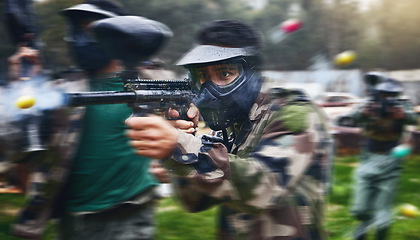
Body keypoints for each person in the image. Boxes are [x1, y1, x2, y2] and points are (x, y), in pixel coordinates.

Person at [125, 20, 333, 240]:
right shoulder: (232, 125)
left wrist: (180, 145)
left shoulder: (294, 114)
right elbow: (195, 201)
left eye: (225, 74)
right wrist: (176, 150)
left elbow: (264, 188)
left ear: (252, 71)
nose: (210, 88)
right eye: (202, 77)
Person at [10, 1, 173, 239]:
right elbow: (22, 150)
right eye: (75, 30)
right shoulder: (59, 90)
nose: (80, 38)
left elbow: (182, 132)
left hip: (128, 215)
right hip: (72, 221)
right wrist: (21, 87)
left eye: (91, 29)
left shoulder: (151, 83)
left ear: (121, 36)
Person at [344, 73, 418, 240]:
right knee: (360, 209)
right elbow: (353, 116)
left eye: (392, 95)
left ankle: (379, 233)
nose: (388, 98)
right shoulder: (369, 103)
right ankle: (363, 225)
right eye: (385, 94)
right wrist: (363, 112)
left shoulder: (402, 105)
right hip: (368, 158)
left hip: (391, 161)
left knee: (383, 212)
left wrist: (404, 115)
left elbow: (414, 118)